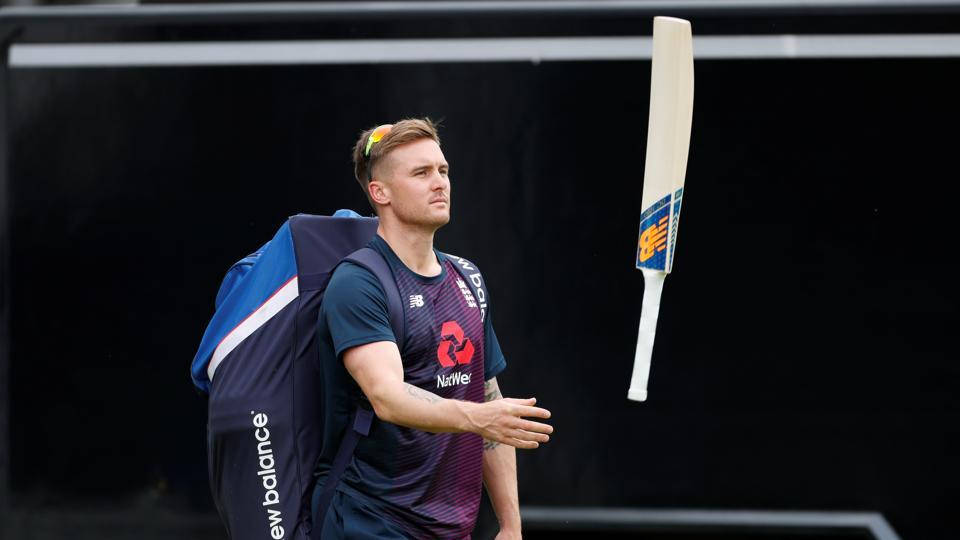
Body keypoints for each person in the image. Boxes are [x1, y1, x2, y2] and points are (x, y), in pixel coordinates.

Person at [312, 118, 553, 540]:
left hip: (451, 527)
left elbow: (486, 395)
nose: (439, 183)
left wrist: (511, 525)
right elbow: (387, 398)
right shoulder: (359, 281)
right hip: (371, 521)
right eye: (421, 173)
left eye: (443, 171)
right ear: (379, 192)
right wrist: (481, 418)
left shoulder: (468, 278)